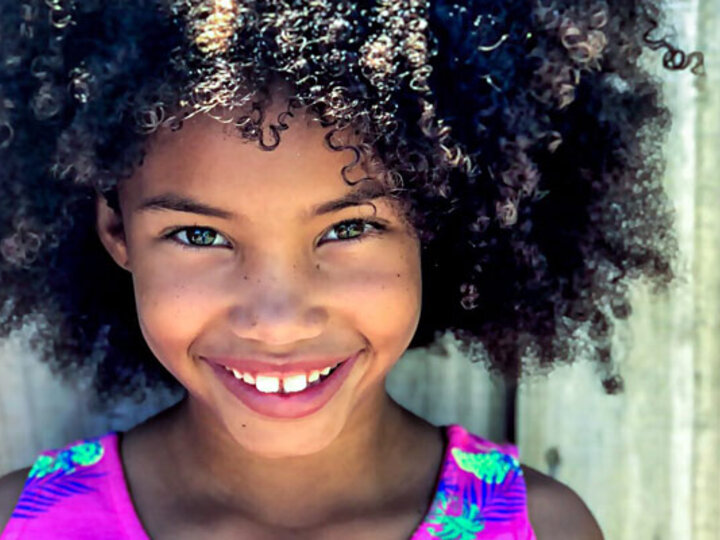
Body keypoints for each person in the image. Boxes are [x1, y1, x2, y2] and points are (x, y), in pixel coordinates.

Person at [0, 0, 702, 538]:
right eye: (198, 234)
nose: (277, 320)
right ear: (116, 229)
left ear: (432, 220)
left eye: (349, 227)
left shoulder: (539, 528)